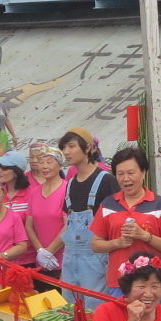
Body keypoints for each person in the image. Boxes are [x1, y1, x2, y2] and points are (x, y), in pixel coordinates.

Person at [90, 148, 161, 294]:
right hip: (118, 283)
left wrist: (145, 236)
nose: (125, 178)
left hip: (152, 283)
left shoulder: (159, 204)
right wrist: (117, 243)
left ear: (143, 172)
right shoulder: (108, 204)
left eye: (131, 173)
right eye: (120, 174)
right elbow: (95, 244)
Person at [58, 127, 112, 306]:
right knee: (70, 311)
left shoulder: (106, 180)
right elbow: (68, 225)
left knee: (96, 311)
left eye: (71, 146)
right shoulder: (70, 184)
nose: (66, 152)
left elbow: (114, 226)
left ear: (88, 147)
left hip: (95, 260)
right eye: (64, 147)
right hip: (70, 259)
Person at [21, 144, 68, 274]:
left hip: (63, 262)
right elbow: (29, 226)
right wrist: (40, 251)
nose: (44, 166)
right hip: (41, 262)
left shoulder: (67, 189)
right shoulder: (35, 192)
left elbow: (69, 226)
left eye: (49, 162)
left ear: (60, 165)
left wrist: (49, 252)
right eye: (41, 162)